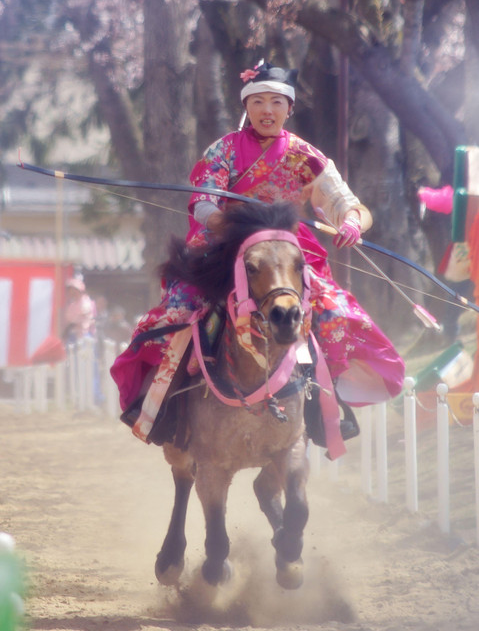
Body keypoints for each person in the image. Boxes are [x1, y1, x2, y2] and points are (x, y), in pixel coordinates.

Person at [111, 61, 405, 446]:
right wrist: (238, 228)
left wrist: (350, 223)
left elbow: (350, 205)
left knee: (334, 312)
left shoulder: (305, 155)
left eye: (276, 102)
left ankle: (324, 407)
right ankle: (162, 406)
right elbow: (204, 203)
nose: (268, 110)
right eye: (259, 102)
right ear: (246, 108)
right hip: (226, 247)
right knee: (179, 313)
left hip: (287, 252)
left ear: (289, 108)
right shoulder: (224, 150)